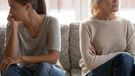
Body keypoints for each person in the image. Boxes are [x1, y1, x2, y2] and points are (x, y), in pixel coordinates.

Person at [0, 0, 65, 76]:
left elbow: (53, 58)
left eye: (13, 7)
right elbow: (10, 58)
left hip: (50, 71)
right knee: (7, 68)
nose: (10, 12)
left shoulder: (51, 22)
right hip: (27, 71)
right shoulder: (12, 24)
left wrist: (22, 58)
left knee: (43, 66)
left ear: (27, 7)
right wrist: (14, 27)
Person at [79, 0, 135, 76]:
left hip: (122, 70)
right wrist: (120, 55)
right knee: (125, 57)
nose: (116, 0)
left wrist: (98, 58)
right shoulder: (86, 25)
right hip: (95, 72)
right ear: (99, 1)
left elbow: (132, 58)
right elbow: (90, 63)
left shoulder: (126, 24)